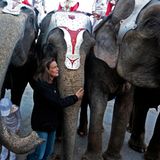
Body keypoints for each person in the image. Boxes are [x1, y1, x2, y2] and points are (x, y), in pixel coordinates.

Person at [26, 57, 84, 160]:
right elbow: (58, 102)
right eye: (54, 67)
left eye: (57, 66)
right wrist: (75, 97)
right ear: (47, 70)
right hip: (41, 125)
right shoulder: (41, 86)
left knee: (48, 152)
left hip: (52, 125)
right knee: (39, 155)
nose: (58, 69)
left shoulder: (53, 83)